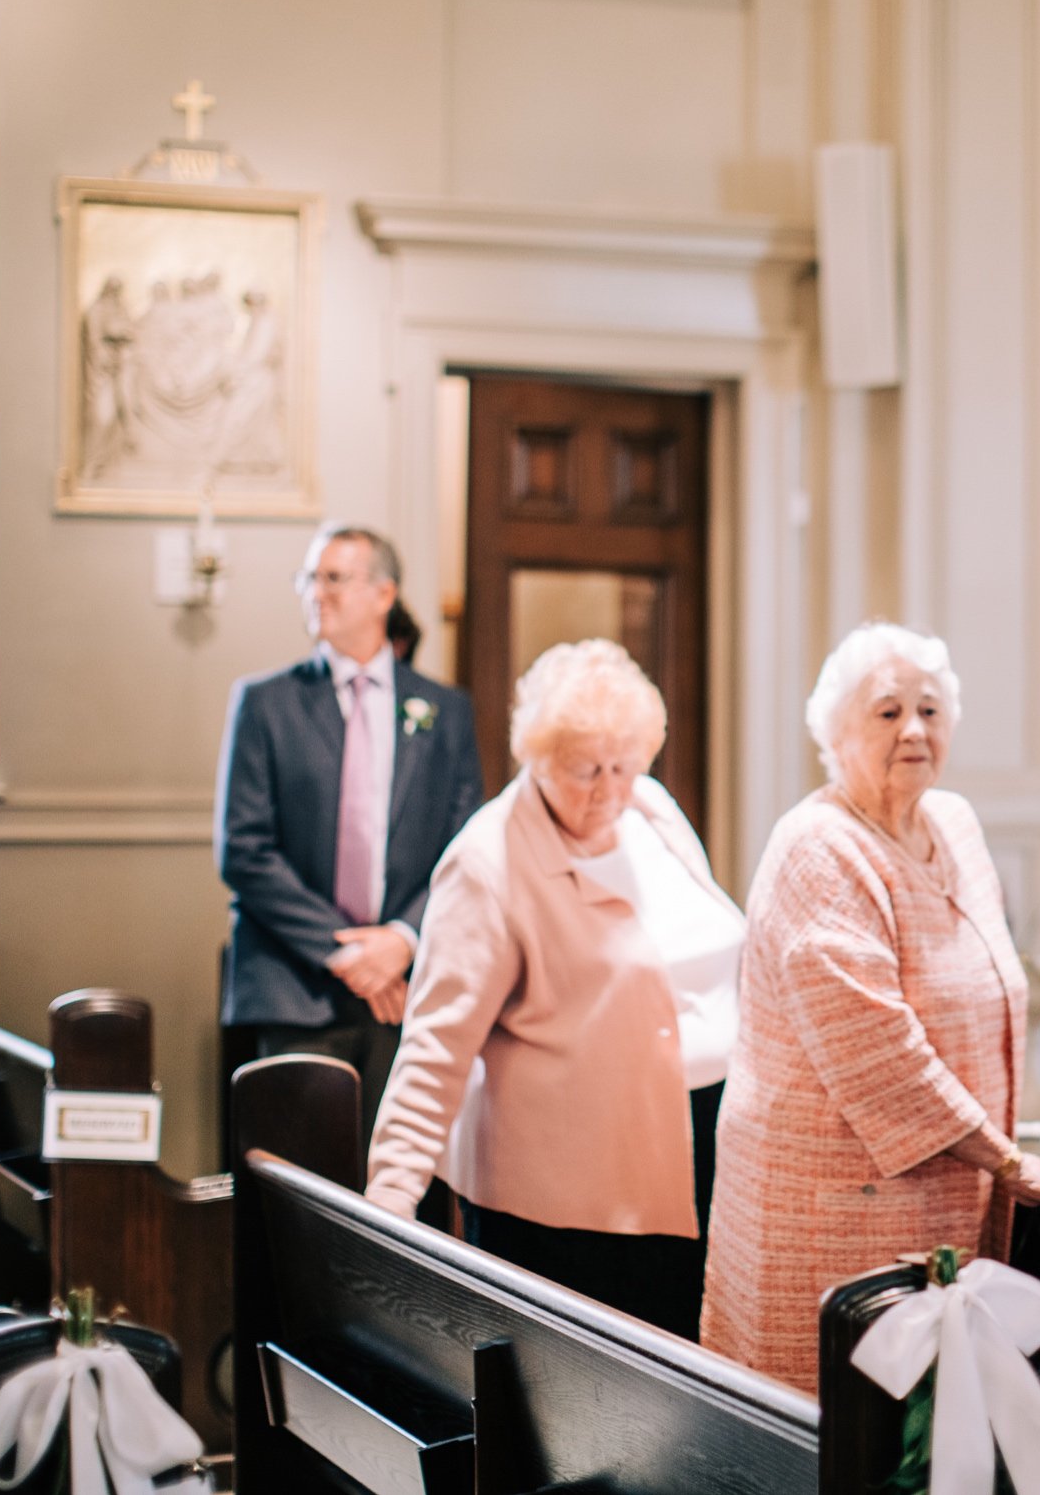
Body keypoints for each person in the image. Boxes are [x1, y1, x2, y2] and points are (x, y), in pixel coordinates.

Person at [702, 622, 1040, 1388]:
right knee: (838, 1433)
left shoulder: (957, 826)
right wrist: (1012, 1163)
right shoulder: (818, 846)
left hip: (950, 1199)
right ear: (835, 733)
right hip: (832, 1212)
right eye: (886, 712)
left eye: (931, 710)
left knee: (933, 1432)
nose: (914, 729)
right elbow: (879, 1054)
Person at [365, 640, 738, 1338]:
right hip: (569, 1211)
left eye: (624, 766)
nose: (609, 790)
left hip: (695, 1165)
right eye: (584, 770)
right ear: (535, 758)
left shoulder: (651, 812)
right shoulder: (486, 863)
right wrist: (389, 1204)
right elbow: (435, 1048)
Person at [216, 524, 482, 1141]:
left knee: (395, 1190)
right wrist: (350, 953)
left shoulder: (445, 711)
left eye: (334, 578)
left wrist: (402, 940)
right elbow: (244, 851)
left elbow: (465, 851)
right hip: (295, 986)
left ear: (384, 593)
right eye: (309, 578)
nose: (317, 593)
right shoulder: (265, 702)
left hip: (405, 993)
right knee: (295, 1188)